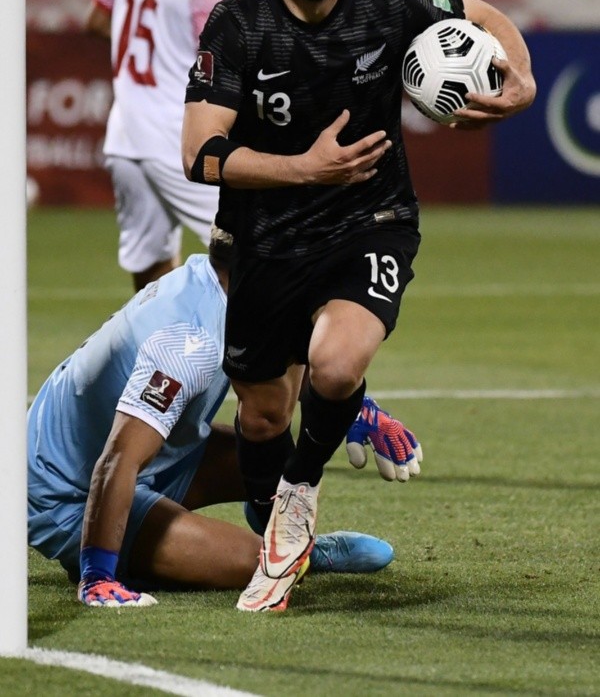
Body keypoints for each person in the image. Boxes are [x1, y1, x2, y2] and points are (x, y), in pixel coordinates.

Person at [181, 0, 537, 612]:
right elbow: (200, 153)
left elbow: (483, 12)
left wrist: (523, 78)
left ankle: (298, 500)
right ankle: (271, 518)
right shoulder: (238, 24)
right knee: (264, 414)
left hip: (371, 221)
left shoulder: (390, 1)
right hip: (265, 237)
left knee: (336, 367)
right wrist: (304, 168)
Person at [28, 227, 423, 611]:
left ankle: (286, 538)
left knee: (277, 457)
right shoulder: (188, 344)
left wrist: (356, 407)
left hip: (155, 455)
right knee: (253, 565)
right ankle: (101, 556)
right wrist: (98, 576)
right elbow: (117, 460)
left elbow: (286, 353)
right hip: (69, 492)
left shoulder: (215, 283)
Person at [85, 0, 259, 291]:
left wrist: (161, 55)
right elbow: (230, 61)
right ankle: (272, 362)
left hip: (125, 135)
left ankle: (160, 361)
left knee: (151, 276)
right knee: (261, 253)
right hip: (176, 138)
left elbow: (99, 17)